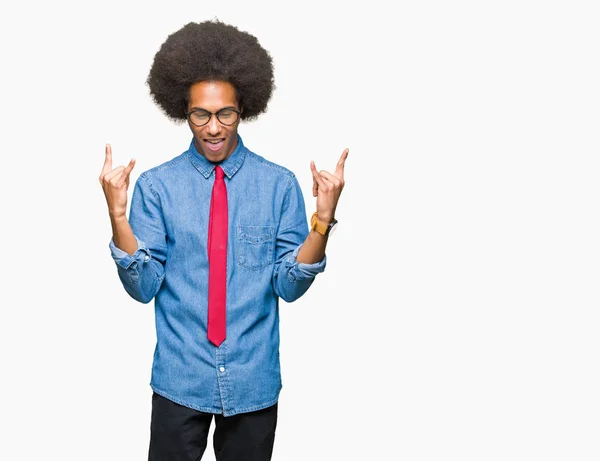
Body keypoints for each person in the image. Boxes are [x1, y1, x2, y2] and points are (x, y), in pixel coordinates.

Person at [99, 19, 347, 461]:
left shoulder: (278, 185)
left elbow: (289, 286)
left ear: (243, 109)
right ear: (183, 111)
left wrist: (322, 221)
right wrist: (118, 215)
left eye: (225, 113)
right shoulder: (157, 187)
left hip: (253, 379)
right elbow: (143, 287)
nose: (213, 128)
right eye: (201, 114)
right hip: (180, 378)